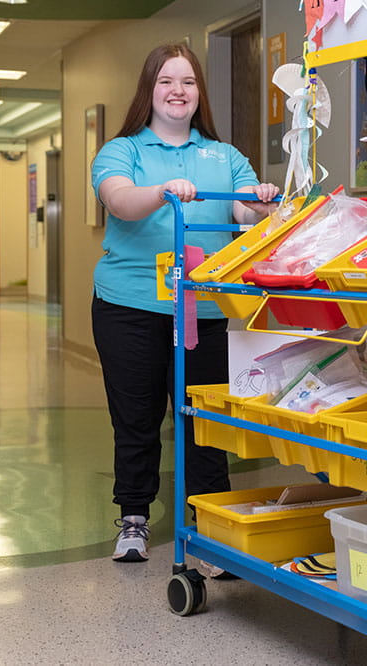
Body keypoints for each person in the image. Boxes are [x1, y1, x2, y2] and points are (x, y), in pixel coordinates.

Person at [90, 43, 279, 563]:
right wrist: (163, 191)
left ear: (200, 93)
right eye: (167, 81)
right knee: (137, 416)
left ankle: (212, 524)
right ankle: (133, 518)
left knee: (204, 418)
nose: (178, 91)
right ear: (149, 90)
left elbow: (246, 212)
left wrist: (262, 203)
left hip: (208, 309)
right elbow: (119, 200)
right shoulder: (122, 150)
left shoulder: (225, 155)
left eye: (188, 82)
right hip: (129, 306)